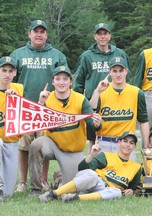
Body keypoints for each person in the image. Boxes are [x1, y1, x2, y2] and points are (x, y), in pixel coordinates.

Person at [10, 19, 68, 192]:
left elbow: (65, 79)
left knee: (42, 144)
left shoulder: (57, 55)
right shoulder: (18, 54)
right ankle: (22, 181)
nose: (39, 34)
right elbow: (10, 79)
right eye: (36, 31)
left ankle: (42, 180)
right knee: (24, 146)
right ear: (29, 34)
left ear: (46, 35)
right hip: (24, 106)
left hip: (48, 107)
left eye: (42, 31)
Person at [28, 65, 101, 195]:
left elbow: (91, 122)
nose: (61, 82)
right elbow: (35, 123)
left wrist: (97, 123)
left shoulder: (80, 99)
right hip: (52, 144)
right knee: (35, 145)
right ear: (53, 81)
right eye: (58, 79)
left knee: (71, 189)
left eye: (65, 79)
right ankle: (35, 188)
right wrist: (40, 103)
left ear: (70, 82)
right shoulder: (47, 98)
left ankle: (59, 178)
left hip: (73, 150)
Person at [38, 131, 141, 203]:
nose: (128, 145)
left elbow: (133, 188)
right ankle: (53, 194)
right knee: (93, 175)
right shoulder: (106, 156)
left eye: (131, 143)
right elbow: (82, 169)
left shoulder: (136, 167)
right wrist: (91, 155)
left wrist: (132, 191)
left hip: (103, 191)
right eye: (125, 141)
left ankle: (76, 198)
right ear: (119, 142)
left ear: (135, 147)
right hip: (92, 182)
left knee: (117, 192)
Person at [73, 23, 131, 147]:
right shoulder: (86, 56)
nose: (102, 37)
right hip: (94, 103)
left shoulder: (120, 54)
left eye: (105, 34)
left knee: (120, 138)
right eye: (99, 34)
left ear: (109, 36)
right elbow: (79, 82)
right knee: (94, 142)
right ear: (95, 36)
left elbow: (128, 78)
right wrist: (78, 103)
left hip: (116, 103)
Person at [90, 57, 149, 161]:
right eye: (115, 71)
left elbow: (143, 121)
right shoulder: (102, 91)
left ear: (126, 71)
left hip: (126, 144)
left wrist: (146, 145)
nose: (118, 74)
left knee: (128, 176)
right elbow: (91, 110)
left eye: (121, 71)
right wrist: (97, 91)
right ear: (110, 73)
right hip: (104, 143)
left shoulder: (136, 92)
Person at [0, 56, 23, 202]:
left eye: (10, 71)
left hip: (12, 141)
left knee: (8, 192)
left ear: (15, 73)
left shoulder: (18, 88)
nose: (7, 74)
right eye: (3, 70)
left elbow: (25, 113)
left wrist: (15, 100)